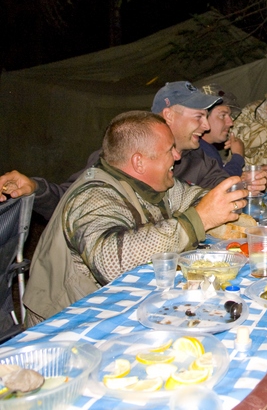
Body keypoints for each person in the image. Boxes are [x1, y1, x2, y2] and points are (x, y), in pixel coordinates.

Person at [22, 111, 248, 326]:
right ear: (139, 162)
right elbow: (112, 261)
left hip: (119, 305)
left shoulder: (155, 184)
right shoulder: (93, 196)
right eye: (170, 150)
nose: (177, 157)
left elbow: (195, 199)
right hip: (69, 321)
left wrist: (225, 203)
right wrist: (198, 220)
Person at [0, 81, 266, 219]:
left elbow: (219, 188)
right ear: (169, 116)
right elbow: (70, 201)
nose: (206, 125)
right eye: (198, 117)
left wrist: (241, 184)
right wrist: (36, 189)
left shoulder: (196, 157)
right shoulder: (123, 154)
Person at [199, 84, 245, 176]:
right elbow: (220, 183)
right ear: (202, 117)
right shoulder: (195, 152)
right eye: (222, 116)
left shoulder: (208, 148)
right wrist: (238, 156)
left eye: (229, 116)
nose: (230, 123)